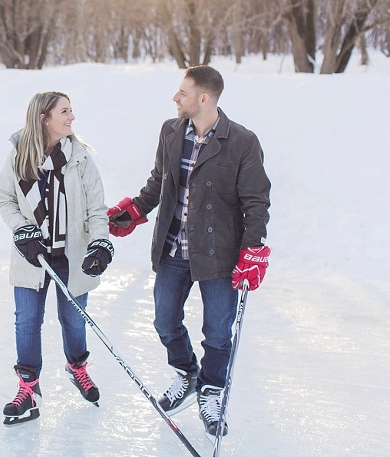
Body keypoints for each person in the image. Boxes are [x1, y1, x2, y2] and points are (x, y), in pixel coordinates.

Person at [107, 65, 271, 438]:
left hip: (219, 254)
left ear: (204, 98)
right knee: (165, 321)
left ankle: (211, 389)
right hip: (172, 248)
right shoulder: (171, 131)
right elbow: (158, 183)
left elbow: (255, 202)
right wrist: (134, 209)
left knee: (217, 332)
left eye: (182, 92)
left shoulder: (242, 141)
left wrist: (253, 250)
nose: (174, 98)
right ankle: (187, 372)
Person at [0, 91, 113, 425]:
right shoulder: (19, 158)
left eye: (72, 110)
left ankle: (77, 367)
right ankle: (28, 390)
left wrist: (100, 243)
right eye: (65, 112)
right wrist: (22, 230)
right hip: (32, 258)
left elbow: (96, 208)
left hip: (71, 257)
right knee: (27, 322)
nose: (72, 118)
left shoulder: (81, 159)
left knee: (74, 320)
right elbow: (6, 200)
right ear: (44, 118)